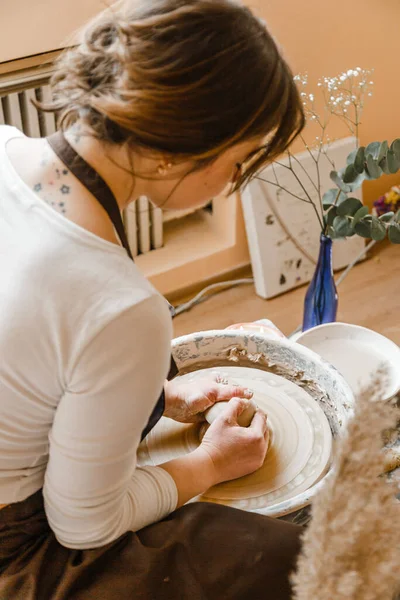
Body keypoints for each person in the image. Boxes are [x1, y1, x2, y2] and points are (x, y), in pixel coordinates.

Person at [0, 0, 305, 598]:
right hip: (14, 549)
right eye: (239, 160)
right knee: (292, 558)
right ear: (174, 151)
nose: (234, 180)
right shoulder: (120, 307)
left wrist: (157, 396)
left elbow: (30, 352)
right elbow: (83, 523)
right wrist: (212, 463)